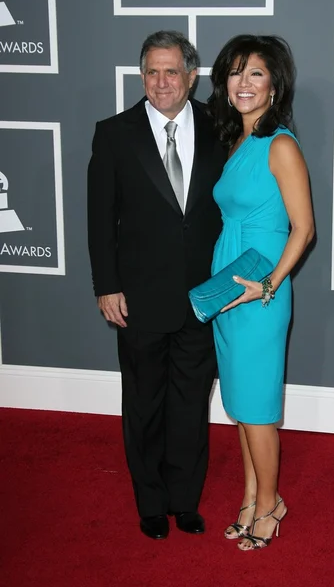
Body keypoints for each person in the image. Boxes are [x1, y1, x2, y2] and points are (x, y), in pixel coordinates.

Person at [87, 31, 226, 540]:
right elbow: (100, 219)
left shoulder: (220, 125)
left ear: (192, 76)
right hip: (139, 296)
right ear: (140, 75)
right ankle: (150, 501)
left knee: (190, 401)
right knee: (144, 402)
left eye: (172, 71)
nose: (162, 82)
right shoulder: (114, 132)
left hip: (204, 294)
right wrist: (107, 284)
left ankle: (184, 500)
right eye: (152, 71)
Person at [207, 34, 314, 551]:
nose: (244, 83)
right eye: (235, 72)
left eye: (255, 73)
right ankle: (251, 497)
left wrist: (269, 284)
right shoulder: (237, 143)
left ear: (274, 85)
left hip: (261, 292)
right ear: (224, 85)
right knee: (242, 404)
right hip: (229, 287)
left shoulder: (281, 145)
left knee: (258, 407)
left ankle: (271, 506)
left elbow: (304, 228)